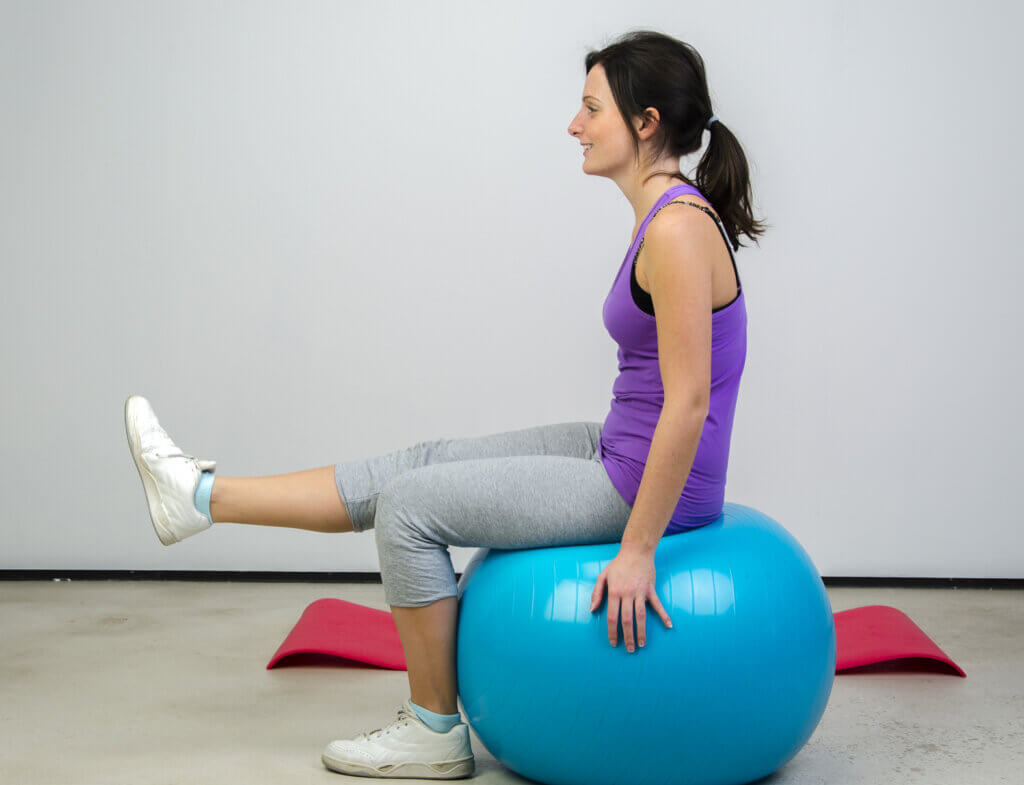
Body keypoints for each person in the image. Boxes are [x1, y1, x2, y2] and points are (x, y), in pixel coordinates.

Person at [123, 29, 767, 780]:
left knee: (410, 508)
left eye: (591, 108)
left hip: (642, 482)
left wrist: (638, 550)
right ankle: (198, 496)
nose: (574, 125)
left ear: (645, 121)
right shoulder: (662, 216)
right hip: (618, 447)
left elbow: (690, 402)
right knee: (420, 464)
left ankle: (434, 732)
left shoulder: (680, 231)